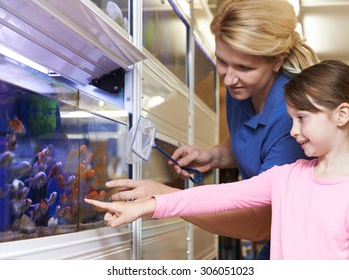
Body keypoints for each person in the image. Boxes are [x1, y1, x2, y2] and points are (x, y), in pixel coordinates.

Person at [85, 60, 349, 259]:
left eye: (302, 118)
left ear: (342, 115)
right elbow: (220, 196)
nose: (293, 131)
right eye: (291, 119)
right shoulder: (286, 176)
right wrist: (149, 205)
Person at [108, 0, 320, 259]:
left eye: (244, 67)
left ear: (277, 61)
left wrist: (164, 199)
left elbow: (258, 225)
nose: (229, 78)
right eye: (222, 61)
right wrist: (215, 156)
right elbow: (253, 138)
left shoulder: (293, 119)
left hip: (307, 242)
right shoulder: (242, 87)